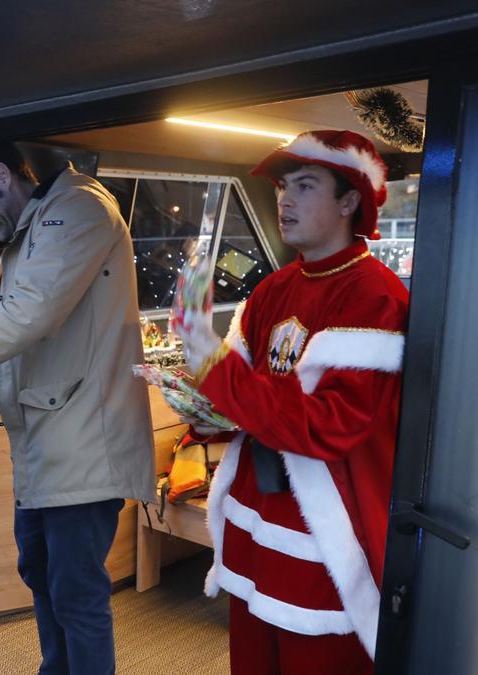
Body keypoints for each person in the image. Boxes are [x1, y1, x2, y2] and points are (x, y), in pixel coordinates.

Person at [0, 135, 155, 675]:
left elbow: (32, 313)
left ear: (2, 175)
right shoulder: (29, 234)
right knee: (42, 577)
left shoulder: (79, 208)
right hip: (47, 448)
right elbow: (29, 346)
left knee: (76, 596)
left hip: (86, 447)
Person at [179, 130, 410, 674]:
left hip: (324, 541)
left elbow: (328, 426)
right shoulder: (273, 289)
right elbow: (244, 395)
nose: (284, 200)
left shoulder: (376, 298)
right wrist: (204, 413)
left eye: (304, 186)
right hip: (253, 521)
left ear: (350, 200)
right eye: (283, 187)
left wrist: (213, 367)